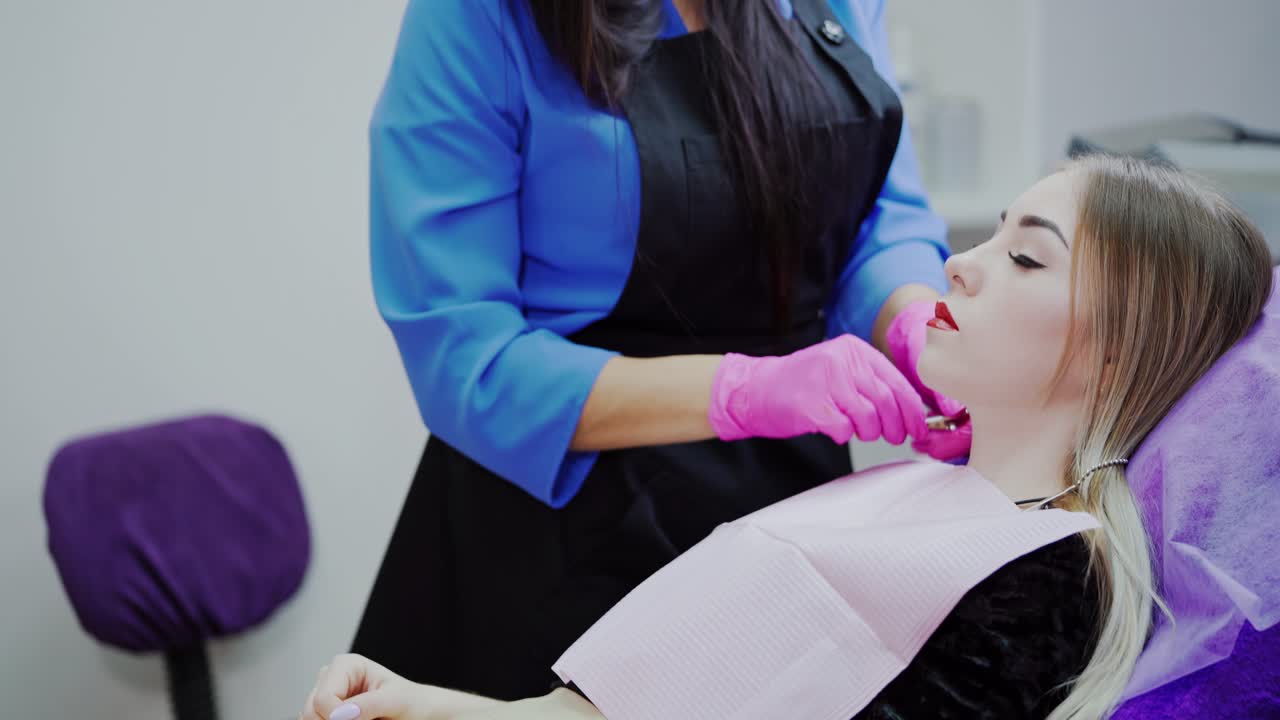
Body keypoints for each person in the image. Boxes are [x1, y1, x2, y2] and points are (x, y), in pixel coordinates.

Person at [304, 155, 1273, 720]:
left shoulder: (1039, 582)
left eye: (1024, 256)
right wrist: (432, 706)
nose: (957, 265)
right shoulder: (940, 506)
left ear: (1115, 359)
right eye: (991, 237)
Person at [353, 0, 966, 700]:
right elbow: (468, 360)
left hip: (788, 515)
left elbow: (881, 223)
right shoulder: (479, 15)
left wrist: (917, 326)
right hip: (561, 535)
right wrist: (745, 392)